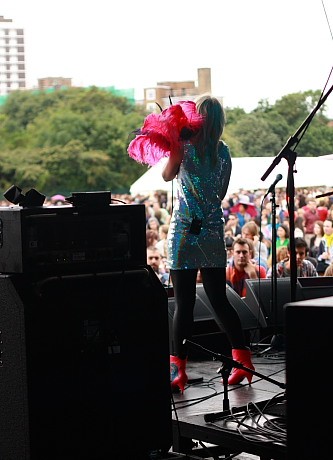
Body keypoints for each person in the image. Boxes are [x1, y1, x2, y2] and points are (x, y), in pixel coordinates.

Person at [162, 95, 255, 392]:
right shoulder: (224, 152)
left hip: (185, 231)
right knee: (219, 299)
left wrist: (175, 142)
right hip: (213, 230)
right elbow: (222, 191)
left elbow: (167, 176)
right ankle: (243, 361)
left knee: (184, 303)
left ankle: (178, 371)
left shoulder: (183, 146)